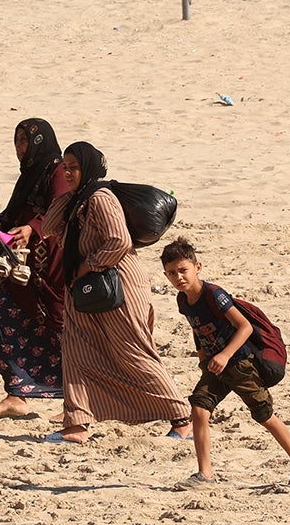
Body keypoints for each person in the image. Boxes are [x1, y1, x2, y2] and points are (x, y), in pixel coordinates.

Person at [42, 141, 192, 444]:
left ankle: (184, 418)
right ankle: (76, 425)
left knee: (132, 352)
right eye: (65, 167)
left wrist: (87, 266)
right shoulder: (78, 201)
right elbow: (48, 225)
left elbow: (118, 242)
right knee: (76, 351)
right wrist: (68, 195)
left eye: (74, 167)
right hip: (87, 290)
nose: (68, 172)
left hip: (118, 287)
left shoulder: (100, 199)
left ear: (89, 168)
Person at [161, 236, 290, 489]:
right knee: (199, 409)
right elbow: (197, 329)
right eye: (171, 273)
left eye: (183, 270)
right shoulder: (182, 301)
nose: (178, 277)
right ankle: (205, 474)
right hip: (215, 366)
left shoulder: (214, 294)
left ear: (198, 267)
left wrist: (224, 355)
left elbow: (243, 326)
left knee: (264, 414)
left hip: (241, 363)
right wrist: (204, 358)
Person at [0, 119, 70, 418]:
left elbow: (61, 207)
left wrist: (32, 228)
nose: (19, 148)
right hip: (22, 266)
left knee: (60, 333)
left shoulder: (56, 171)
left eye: (25, 141)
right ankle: (16, 394)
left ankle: (76, 403)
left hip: (48, 266)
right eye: (17, 141)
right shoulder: (30, 173)